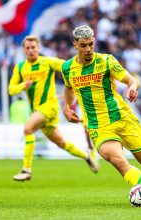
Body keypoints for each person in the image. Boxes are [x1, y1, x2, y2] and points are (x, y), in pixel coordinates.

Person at [61, 25, 141, 205]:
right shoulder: (67, 68)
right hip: (98, 125)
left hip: (121, 118)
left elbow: (131, 80)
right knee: (117, 160)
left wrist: (132, 88)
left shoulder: (106, 61)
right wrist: (66, 107)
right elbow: (68, 88)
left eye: (91, 44)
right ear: (75, 45)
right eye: (83, 45)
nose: (88, 49)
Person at [8, 35, 99, 181]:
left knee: (27, 129)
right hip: (37, 111)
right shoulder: (19, 68)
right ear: (24, 50)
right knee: (62, 143)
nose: (31, 50)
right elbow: (11, 89)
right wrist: (22, 86)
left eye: (33, 47)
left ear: (38, 48)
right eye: (28, 48)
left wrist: (80, 76)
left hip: (49, 107)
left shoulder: (47, 62)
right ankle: (87, 156)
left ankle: (26, 170)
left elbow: (66, 66)